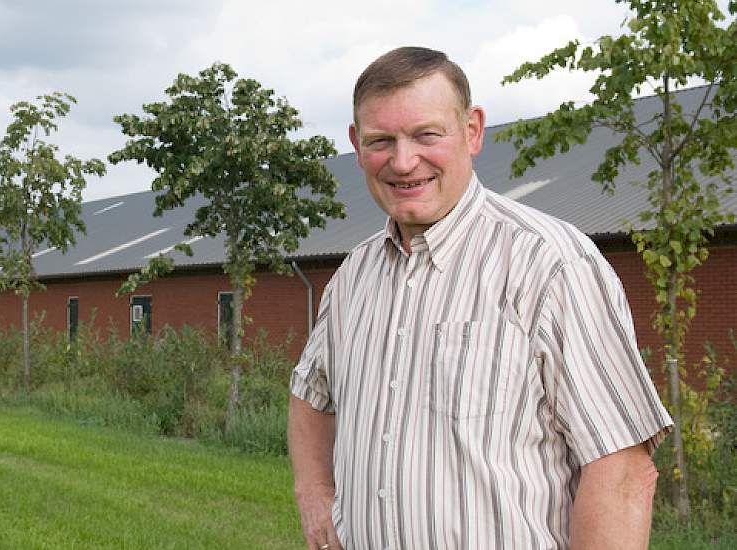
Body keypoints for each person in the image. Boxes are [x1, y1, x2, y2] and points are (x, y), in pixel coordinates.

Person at [287, 46, 673, 550]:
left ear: (471, 130)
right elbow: (310, 395)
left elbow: (621, 472)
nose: (404, 162)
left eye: (427, 134)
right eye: (382, 140)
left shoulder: (551, 265)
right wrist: (316, 498)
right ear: (357, 145)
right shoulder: (353, 276)